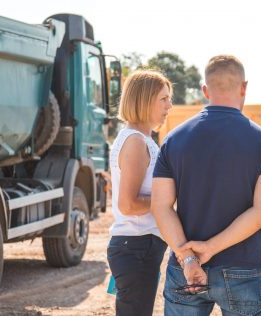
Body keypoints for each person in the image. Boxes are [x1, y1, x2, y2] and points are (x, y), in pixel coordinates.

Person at [151, 55, 261, 316]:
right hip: (243, 267)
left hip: (186, 268)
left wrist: (189, 258)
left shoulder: (173, 139)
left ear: (205, 90)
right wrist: (210, 248)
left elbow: (161, 206)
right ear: (243, 87)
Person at [107, 70, 172, 316]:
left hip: (137, 246)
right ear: (144, 100)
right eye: (163, 99)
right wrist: (169, 200)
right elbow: (128, 204)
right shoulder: (136, 141)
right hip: (136, 246)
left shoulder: (139, 138)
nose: (170, 105)